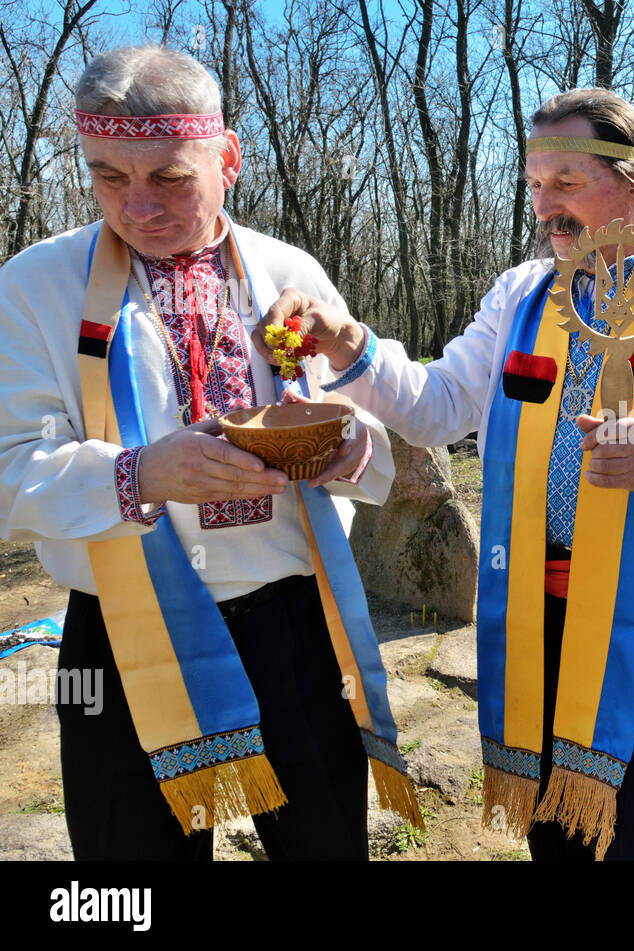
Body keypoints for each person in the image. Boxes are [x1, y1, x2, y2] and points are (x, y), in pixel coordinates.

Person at [256, 88, 634, 860]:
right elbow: (441, 406)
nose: (547, 208)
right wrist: (349, 345)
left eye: (567, 184)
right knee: (553, 827)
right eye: (535, 186)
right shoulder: (519, 296)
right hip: (529, 603)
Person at [0, 45, 421, 860]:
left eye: (169, 177)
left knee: (324, 844)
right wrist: (139, 474)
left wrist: (344, 452)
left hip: (290, 624)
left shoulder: (288, 272)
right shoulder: (32, 286)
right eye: (108, 177)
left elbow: (363, 438)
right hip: (123, 633)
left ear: (226, 158)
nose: (139, 206)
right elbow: (9, 469)